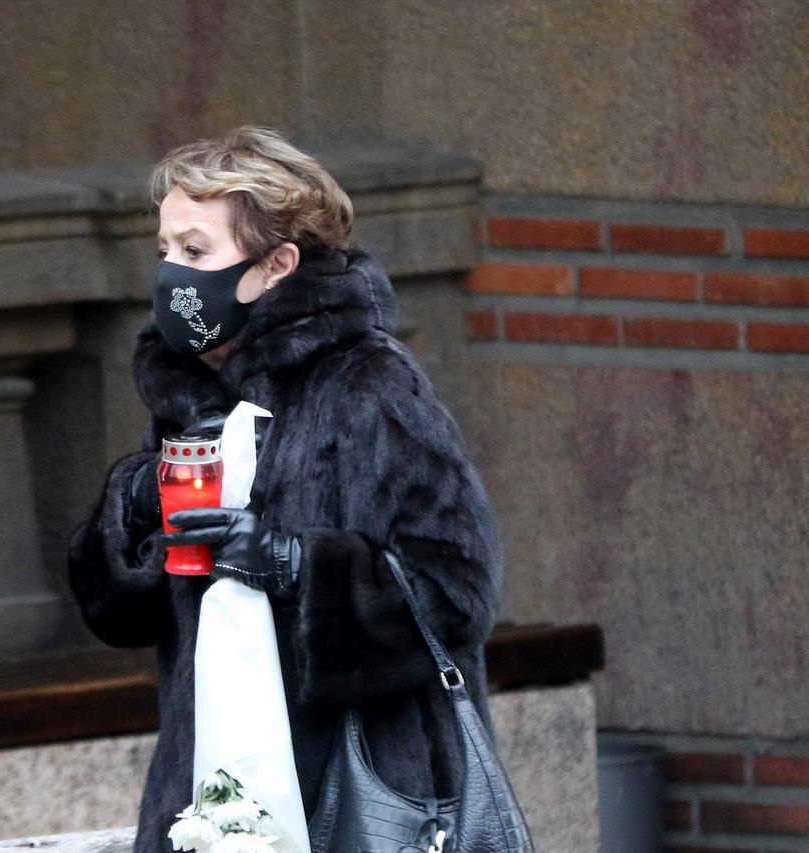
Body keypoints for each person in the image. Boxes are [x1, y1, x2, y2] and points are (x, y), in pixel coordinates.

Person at [67, 125, 504, 853]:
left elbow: (460, 587)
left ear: (277, 265)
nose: (171, 273)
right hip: (213, 794)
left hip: (364, 795)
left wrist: (297, 565)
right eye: (165, 250)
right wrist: (136, 503)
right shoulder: (191, 394)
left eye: (196, 251)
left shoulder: (370, 384)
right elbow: (116, 611)